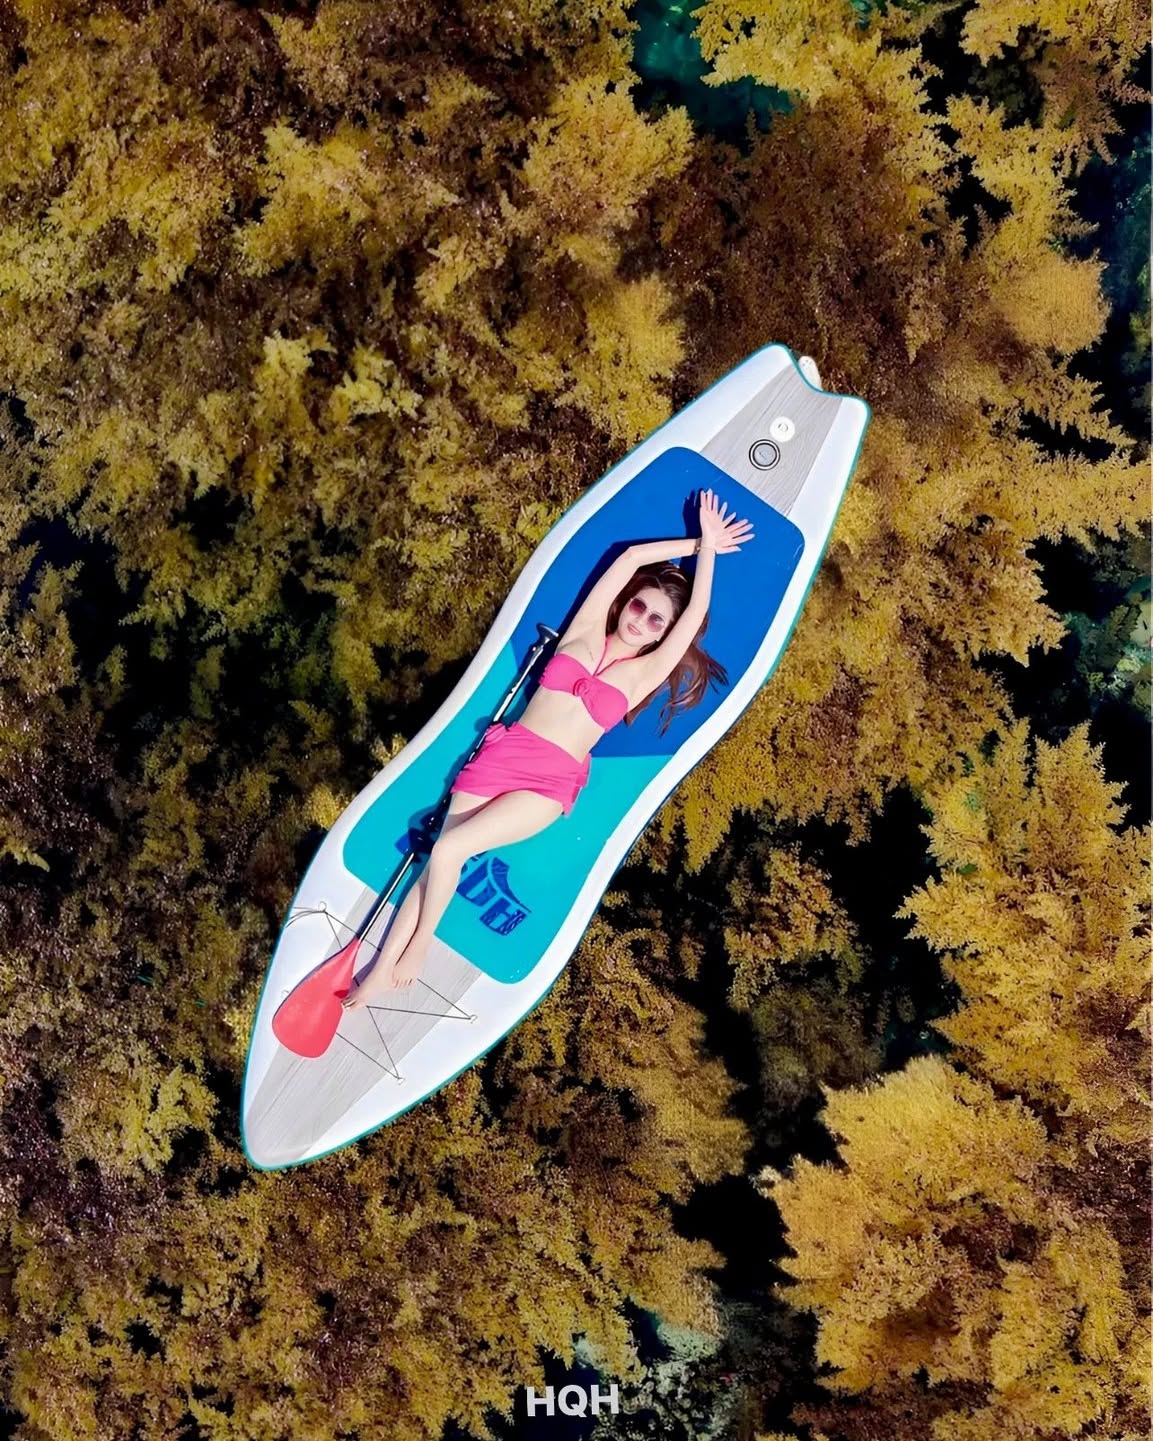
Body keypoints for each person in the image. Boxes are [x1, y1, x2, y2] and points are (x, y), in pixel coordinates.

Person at [342, 487, 753, 1003]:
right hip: (503, 754)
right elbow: (629, 559)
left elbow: (692, 618)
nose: (640, 620)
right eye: (640, 606)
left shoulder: (640, 676)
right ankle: (380, 970)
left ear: (660, 635)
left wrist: (710, 551)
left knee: (448, 850)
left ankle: (419, 947)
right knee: (435, 866)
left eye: (655, 621)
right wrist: (693, 543)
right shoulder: (583, 633)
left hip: (549, 782)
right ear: (627, 602)